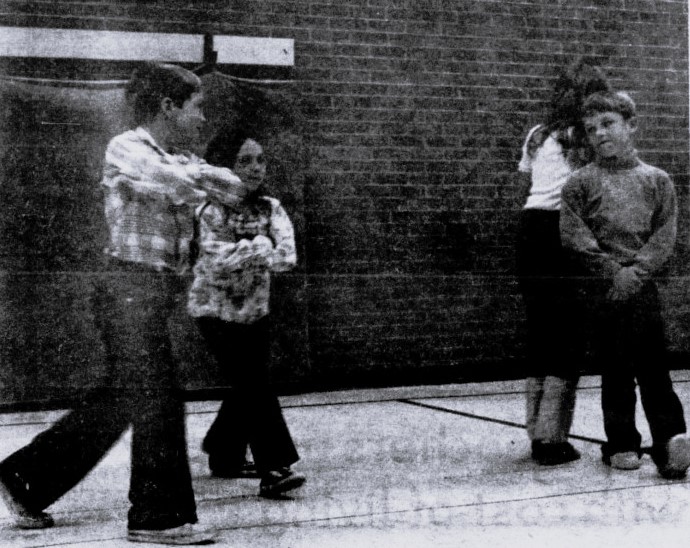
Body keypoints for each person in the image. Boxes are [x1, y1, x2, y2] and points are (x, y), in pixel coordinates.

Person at [0, 62, 247, 545]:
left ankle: (26, 479)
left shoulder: (178, 156)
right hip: (126, 290)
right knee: (159, 399)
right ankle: (157, 518)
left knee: (123, 398)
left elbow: (235, 188)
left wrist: (194, 174)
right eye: (197, 107)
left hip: (152, 295)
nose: (202, 119)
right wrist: (196, 175)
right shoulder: (127, 147)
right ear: (167, 106)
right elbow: (179, 182)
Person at [560, 90, 690, 478]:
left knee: (654, 368)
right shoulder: (580, 183)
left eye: (608, 124)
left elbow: (664, 234)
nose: (599, 133)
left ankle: (671, 442)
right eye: (591, 129)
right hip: (603, 289)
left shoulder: (656, 180)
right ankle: (621, 443)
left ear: (631, 126)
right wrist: (611, 272)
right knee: (615, 367)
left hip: (641, 286)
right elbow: (574, 235)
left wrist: (636, 272)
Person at [188, 128, 305, 499]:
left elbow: (287, 257)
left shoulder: (271, 207)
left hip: (255, 311)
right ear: (226, 166)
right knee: (255, 384)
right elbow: (215, 259)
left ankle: (223, 452)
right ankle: (274, 467)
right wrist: (261, 245)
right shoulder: (209, 210)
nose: (256, 168)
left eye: (260, 160)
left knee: (248, 383)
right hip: (213, 311)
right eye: (245, 161)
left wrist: (252, 249)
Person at [516, 60, 611, 465]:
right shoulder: (587, 138)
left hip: (529, 229)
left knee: (540, 331)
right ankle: (551, 439)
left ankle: (536, 429)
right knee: (568, 334)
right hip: (562, 231)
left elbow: (527, 185)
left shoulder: (538, 135)